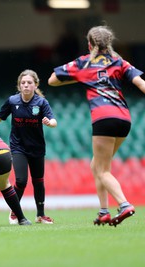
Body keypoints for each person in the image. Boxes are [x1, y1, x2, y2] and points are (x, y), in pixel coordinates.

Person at [48, 25, 145, 226]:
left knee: (102, 170)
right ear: (109, 43)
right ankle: (103, 212)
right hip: (124, 118)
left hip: (103, 118)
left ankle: (124, 204)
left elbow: (52, 81)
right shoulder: (119, 61)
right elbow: (141, 83)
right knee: (98, 165)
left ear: (89, 43)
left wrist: (84, 78)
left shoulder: (84, 63)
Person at [0, 69, 57, 225]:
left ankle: (40, 215)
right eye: (23, 83)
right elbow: (0, 116)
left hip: (37, 148)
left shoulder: (41, 102)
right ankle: (14, 212)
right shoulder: (12, 101)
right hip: (18, 147)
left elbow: (53, 121)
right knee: (21, 180)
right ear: (19, 86)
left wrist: (49, 123)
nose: (26, 85)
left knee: (38, 181)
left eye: (29, 83)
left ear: (35, 85)